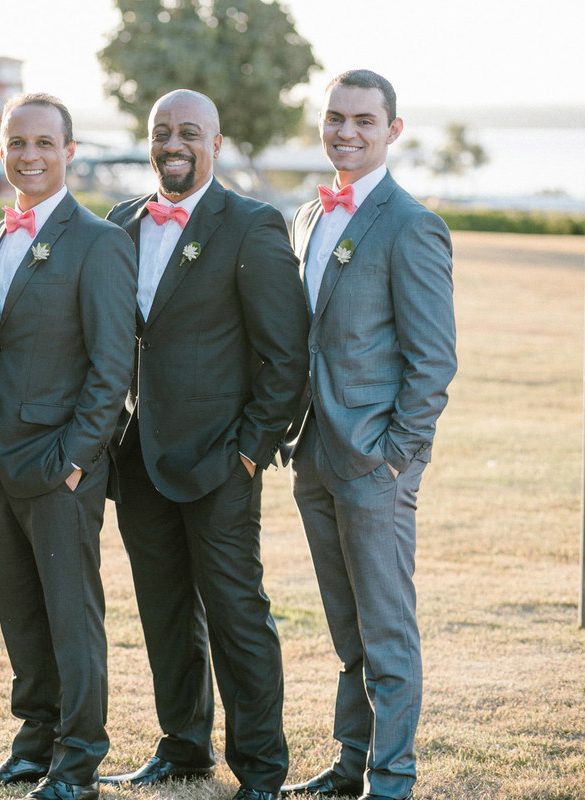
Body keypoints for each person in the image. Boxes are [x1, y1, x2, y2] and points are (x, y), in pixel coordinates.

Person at [100, 89, 310, 800]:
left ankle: (262, 769)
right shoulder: (121, 222)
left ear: (214, 144)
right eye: (163, 132)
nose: (174, 144)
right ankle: (184, 746)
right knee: (163, 610)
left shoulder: (251, 225)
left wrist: (250, 451)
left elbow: (286, 356)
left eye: (189, 132)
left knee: (235, 612)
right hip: (137, 458)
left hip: (221, 459)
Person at [281, 69, 456, 800]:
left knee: (385, 627)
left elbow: (433, 360)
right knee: (346, 626)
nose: (345, 132)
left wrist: (394, 457)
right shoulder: (307, 216)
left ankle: (392, 776)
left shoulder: (411, 224)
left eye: (362, 120)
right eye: (334, 118)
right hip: (315, 454)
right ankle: (350, 760)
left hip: (373, 462)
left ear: (393, 131)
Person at [0, 93, 135, 800]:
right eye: (16, 143)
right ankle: (32, 746)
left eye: (43, 143)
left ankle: (79, 760)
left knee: (71, 617)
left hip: (60, 465)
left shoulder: (98, 241)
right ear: (2, 150)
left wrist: (76, 460)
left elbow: (112, 365)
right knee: (21, 615)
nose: (28, 155)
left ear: (69, 151)